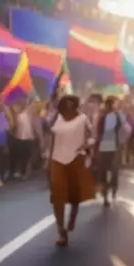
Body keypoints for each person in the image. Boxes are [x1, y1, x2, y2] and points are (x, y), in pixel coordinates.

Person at [47, 95, 94, 246]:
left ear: (75, 107)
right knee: (57, 197)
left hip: (75, 159)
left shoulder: (83, 119)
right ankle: (61, 231)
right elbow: (53, 139)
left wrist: (86, 145)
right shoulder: (57, 119)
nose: (66, 109)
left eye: (70, 106)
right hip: (57, 160)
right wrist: (48, 161)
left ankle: (73, 215)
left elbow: (93, 136)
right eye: (64, 106)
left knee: (74, 194)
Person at [94, 96, 125, 207]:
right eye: (112, 104)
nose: (113, 106)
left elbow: (123, 128)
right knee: (105, 173)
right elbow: (98, 132)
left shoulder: (116, 116)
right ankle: (106, 195)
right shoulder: (103, 117)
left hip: (112, 147)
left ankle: (112, 191)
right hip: (105, 147)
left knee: (113, 172)